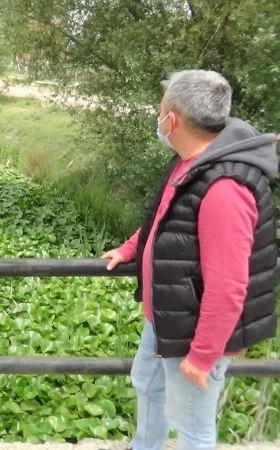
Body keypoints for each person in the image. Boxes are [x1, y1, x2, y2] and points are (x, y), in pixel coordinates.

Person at [102, 70, 277, 450]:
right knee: (147, 384)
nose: (158, 116)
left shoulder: (225, 189)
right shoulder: (191, 161)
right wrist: (131, 247)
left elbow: (229, 287)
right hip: (167, 315)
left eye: (161, 108)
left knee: (193, 426)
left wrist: (201, 357)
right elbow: (165, 218)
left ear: (173, 118)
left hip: (195, 330)